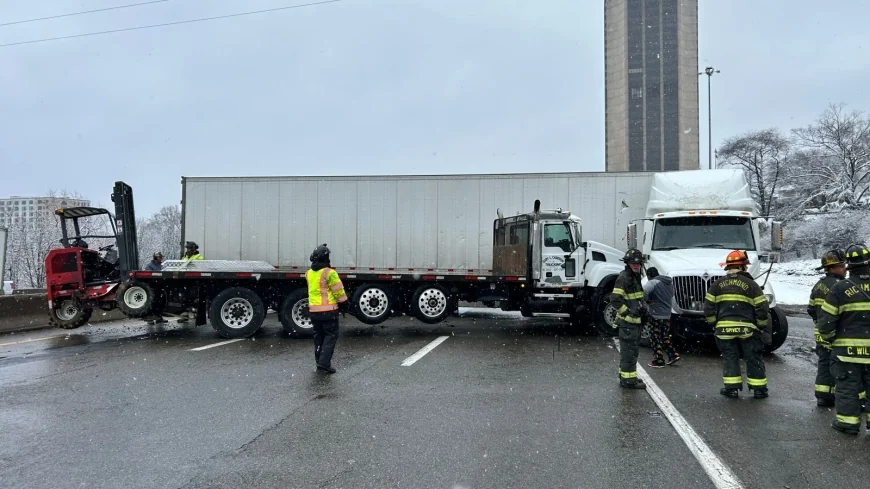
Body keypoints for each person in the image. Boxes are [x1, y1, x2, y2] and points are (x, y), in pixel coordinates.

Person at [817, 244, 870, 435]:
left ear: (848, 266)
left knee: (847, 386)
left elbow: (825, 322)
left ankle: (848, 424)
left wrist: (832, 340)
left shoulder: (840, 288)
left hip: (847, 353)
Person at [704, 250, 770, 399]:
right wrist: (761, 324)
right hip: (747, 329)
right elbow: (762, 306)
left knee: (730, 357)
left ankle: (732, 388)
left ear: (728, 267)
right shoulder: (751, 284)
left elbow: (708, 306)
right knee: (753, 357)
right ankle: (759, 390)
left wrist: (714, 323)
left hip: (724, 329)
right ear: (742, 267)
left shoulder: (717, 284)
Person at [807, 249, 846, 406]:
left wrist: (819, 322)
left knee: (824, 364)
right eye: (841, 265)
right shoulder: (841, 286)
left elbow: (810, 309)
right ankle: (851, 399)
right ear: (831, 267)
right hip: (837, 333)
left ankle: (823, 396)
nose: (845, 268)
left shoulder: (818, 285)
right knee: (842, 367)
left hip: (821, 333)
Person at [306, 244, 349, 374]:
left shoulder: (309, 273)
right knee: (330, 336)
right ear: (326, 257)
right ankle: (324, 364)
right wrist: (344, 303)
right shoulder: (329, 273)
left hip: (314, 311)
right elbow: (338, 291)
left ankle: (319, 361)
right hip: (328, 311)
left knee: (318, 337)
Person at [610, 248, 648, 389]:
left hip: (634, 323)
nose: (636, 265)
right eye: (633, 263)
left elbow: (636, 297)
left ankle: (626, 376)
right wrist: (628, 312)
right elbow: (615, 299)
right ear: (627, 263)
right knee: (629, 353)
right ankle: (628, 381)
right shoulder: (624, 277)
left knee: (631, 352)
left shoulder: (635, 277)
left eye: (638, 263)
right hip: (628, 324)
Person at [643, 266, 680, 368]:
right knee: (664, 336)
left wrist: (648, 301)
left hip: (656, 314)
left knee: (655, 337)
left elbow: (643, 292)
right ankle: (673, 355)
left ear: (649, 275)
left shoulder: (652, 282)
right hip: (667, 314)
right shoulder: (669, 283)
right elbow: (672, 294)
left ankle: (658, 360)